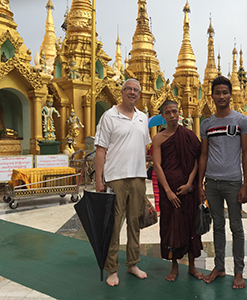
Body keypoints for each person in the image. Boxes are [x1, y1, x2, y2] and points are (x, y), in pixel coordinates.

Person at [95, 78, 151, 286]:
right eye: (129, 89)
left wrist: (143, 173)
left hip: (137, 177)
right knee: (114, 225)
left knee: (135, 222)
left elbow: (143, 148)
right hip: (116, 177)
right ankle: (112, 268)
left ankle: (133, 263)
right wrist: (99, 180)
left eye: (136, 90)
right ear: (122, 92)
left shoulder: (142, 117)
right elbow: (100, 150)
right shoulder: (109, 116)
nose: (133, 93)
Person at [198, 76, 247, 289]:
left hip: (233, 182)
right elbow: (203, 155)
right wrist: (201, 184)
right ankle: (219, 267)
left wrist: (246, 184)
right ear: (212, 95)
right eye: (217, 92)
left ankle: (239, 272)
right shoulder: (207, 124)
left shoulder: (242, 121)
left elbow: (246, 154)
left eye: (225, 92)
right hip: (212, 182)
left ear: (230, 94)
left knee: (236, 227)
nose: (221, 96)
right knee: (217, 226)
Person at [152, 100, 204, 282]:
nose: (172, 115)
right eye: (168, 112)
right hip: (170, 191)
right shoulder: (158, 138)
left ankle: (192, 266)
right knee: (171, 227)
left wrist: (190, 183)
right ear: (163, 116)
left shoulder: (189, 135)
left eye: (175, 111)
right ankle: (174, 266)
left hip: (188, 191)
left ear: (179, 112)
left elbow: (198, 160)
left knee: (191, 225)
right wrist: (168, 191)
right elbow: (157, 166)